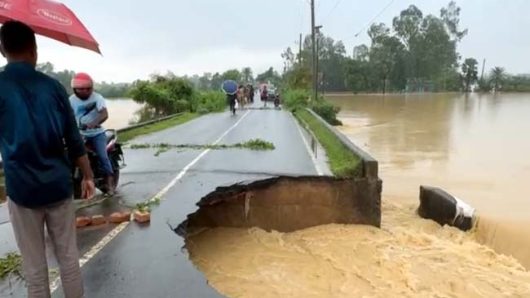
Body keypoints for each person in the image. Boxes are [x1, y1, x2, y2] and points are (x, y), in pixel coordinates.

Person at [0, 21, 95, 298]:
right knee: (68, 259)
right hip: (58, 185)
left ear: (3, 49)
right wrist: (87, 175)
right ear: (34, 49)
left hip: (21, 189)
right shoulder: (53, 88)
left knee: (35, 270)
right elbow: (74, 139)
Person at [69, 73, 116, 195]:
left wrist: (94, 123)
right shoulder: (71, 100)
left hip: (97, 133)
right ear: (75, 89)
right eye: (81, 89)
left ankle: (110, 182)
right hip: (80, 134)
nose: (85, 91)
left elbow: (104, 114)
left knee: (103, 156)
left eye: (88, 89)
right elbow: (66, 116)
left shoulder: (97, 98)